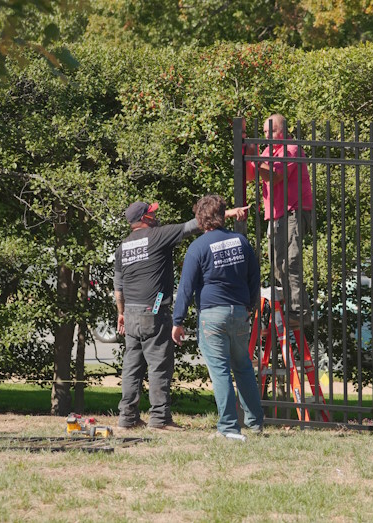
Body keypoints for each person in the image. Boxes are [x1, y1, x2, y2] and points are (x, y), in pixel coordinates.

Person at [113, 199, 248, 430]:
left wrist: (121, 313)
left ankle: (127, 417)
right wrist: (230, 213)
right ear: (144, 219)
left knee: (132, 367)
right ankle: (160, 418)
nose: (156, 216)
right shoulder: (157, 235)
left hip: (131, 311)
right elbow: (193, 226)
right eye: (152, 214)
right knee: (159, 364)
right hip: (153, 308)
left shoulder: (122, 247)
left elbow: (118, 286)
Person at [171, 194, 264, 440]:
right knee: (243, 367)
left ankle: (229, 428)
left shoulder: (198, 247)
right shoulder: (241, 241)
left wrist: (177, 321)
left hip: (212, 314)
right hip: (239, 311)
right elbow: (254, 277)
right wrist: (250, 306)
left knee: (220, 371)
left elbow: (186, 287)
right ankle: (255, 424)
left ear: (200, 220)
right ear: (223, 216)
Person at [245, 114, 313, 326]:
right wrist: (247, 156)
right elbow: (251, 175)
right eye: (265, 132)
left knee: (291, 262)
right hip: (276, 214)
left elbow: (274, 176)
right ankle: (291, 307)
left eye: (271, 131)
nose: (267, 136)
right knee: (277, 264)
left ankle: (299, 312)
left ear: (282, 131)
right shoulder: (268, 151)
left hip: (293, 211)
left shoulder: (291, 149)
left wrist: (254, 159)